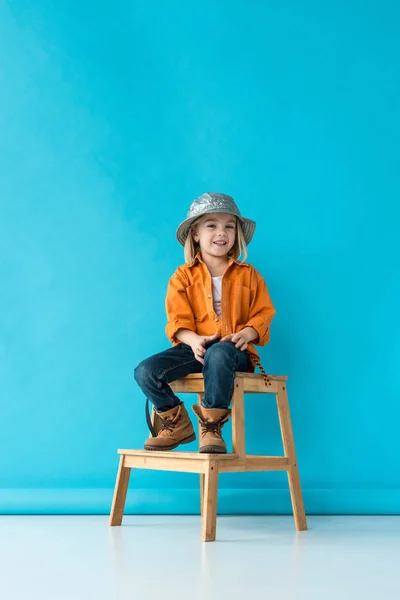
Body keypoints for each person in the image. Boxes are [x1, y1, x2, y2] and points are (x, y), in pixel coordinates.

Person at [134, 192, 276, 453]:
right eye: (211, 225)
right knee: (145, 371)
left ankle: (212, 427)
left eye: (228, 226)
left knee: (221, 353)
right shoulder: (182, 276)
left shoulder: (249, 275)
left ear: (236, 234)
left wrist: (246, 334)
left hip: (235, 352)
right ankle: (175, 421)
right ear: (196, 234)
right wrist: (193, 340)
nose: (221, 232)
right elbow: (177, 318)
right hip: (196, 349)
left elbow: (264, 312)